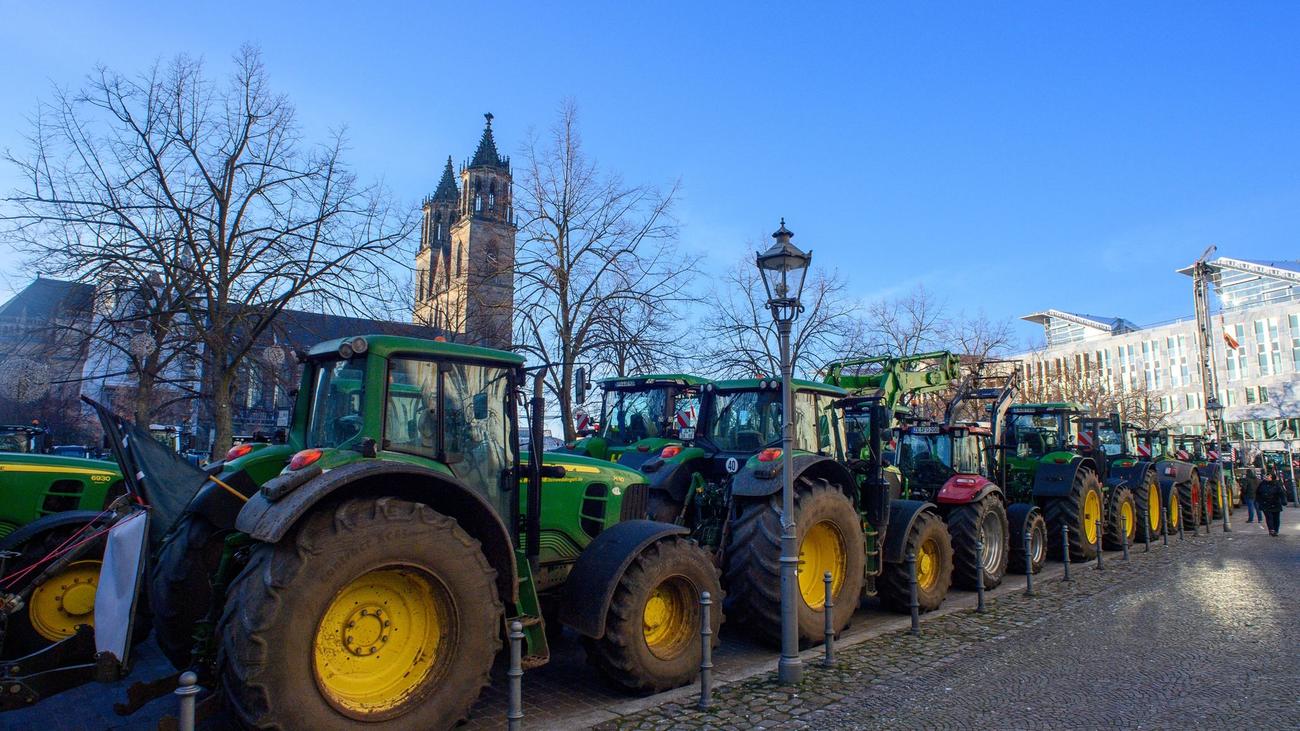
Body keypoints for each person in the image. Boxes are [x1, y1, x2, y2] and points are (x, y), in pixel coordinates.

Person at [1256, 468, 1287, 537]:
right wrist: (1259, 501)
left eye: (1268, 476)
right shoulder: (1262, 484)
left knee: (1276, 518)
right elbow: (1258, 493)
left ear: (1272, 477)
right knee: (1269, 517)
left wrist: (1283, 501)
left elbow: (1281, 493)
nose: (1266, 477)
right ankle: (1271, 530)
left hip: (1275, 503)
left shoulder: (1277, 484)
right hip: (1265, 504)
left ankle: (1276, 530)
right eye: (1266, 476)